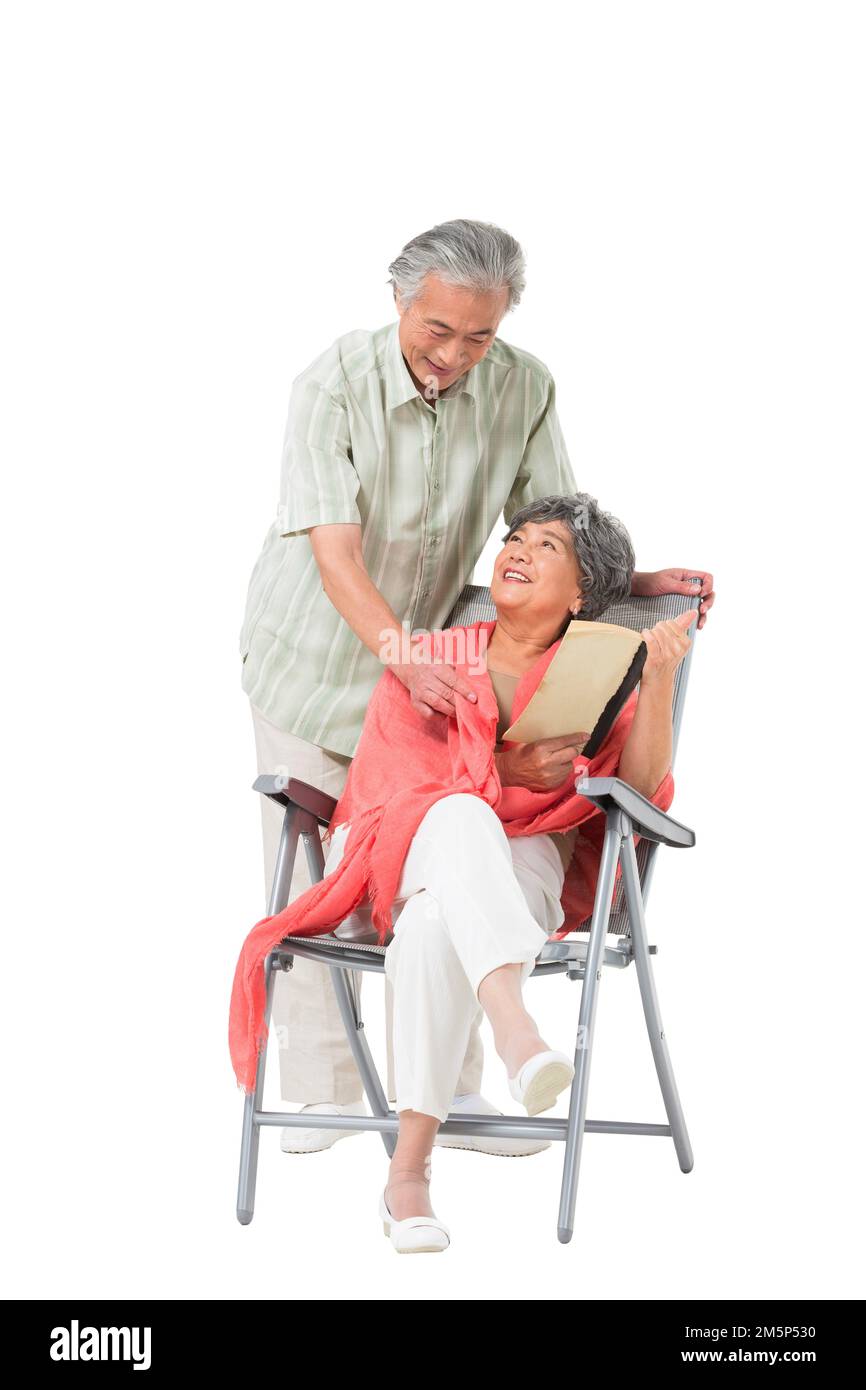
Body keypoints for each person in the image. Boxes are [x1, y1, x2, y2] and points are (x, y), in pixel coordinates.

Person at [239, 217, 715, 1157]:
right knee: (314, 870)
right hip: (321, 656)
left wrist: (635, 580)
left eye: (480, 336)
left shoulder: (524, 388)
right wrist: (396, 649)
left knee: (448, 847)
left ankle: (452, 1092)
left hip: (443, 673)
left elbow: (554, 533)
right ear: (399, 302)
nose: (456, 354)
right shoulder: (333, 386)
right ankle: (327, 1092)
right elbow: (334, 549)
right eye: (438, 331)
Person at [314, 491, 696, 1252]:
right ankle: (517, 1031)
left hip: (524, 854)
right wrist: (500, 766)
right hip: (399, 842)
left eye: (547, 547)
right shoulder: (436, 656)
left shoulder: (599, 670)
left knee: (434, 925)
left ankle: (407, 1176)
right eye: (516, 537)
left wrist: (656, 683)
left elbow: (639, 791)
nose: (518, 549)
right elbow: (392, 779)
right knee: (459, 815)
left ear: (585, 591)